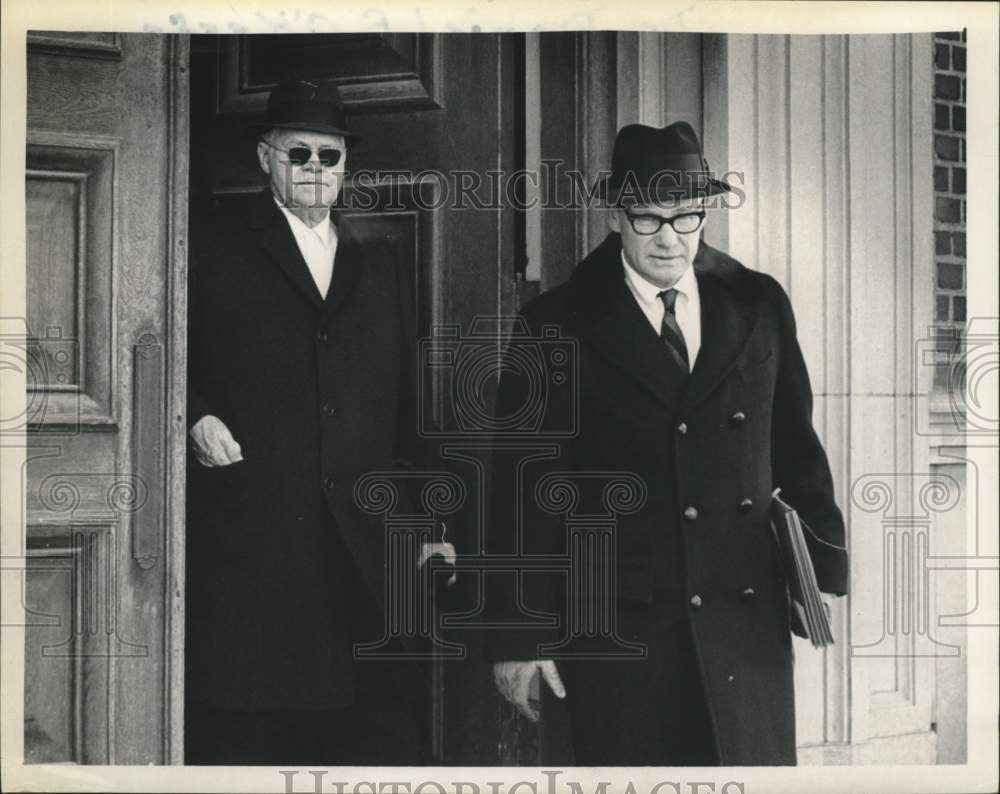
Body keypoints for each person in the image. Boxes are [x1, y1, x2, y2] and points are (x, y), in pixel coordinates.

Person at [485, 121, 848, 765]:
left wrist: (817, 569)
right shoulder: (554, 325)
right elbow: (522, 488)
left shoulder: (758, 303)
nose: (670, 238)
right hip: (622, 627)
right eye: (648, 218)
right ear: (614, 216)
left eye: (686, 216)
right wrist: (520, 635)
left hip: (744, 620)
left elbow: (795, 443)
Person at [185, 78, 433, 765]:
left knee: (365, 735)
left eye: (331, 156)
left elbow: (410, 403)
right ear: (266, 157)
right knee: (254, 734)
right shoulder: (211, 245)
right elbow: (159, 350)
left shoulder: (379, 260)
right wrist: (194, 416)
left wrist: (424, 520)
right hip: (258, 542)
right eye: (300, 153)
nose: (316, 168)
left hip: (363, 546)